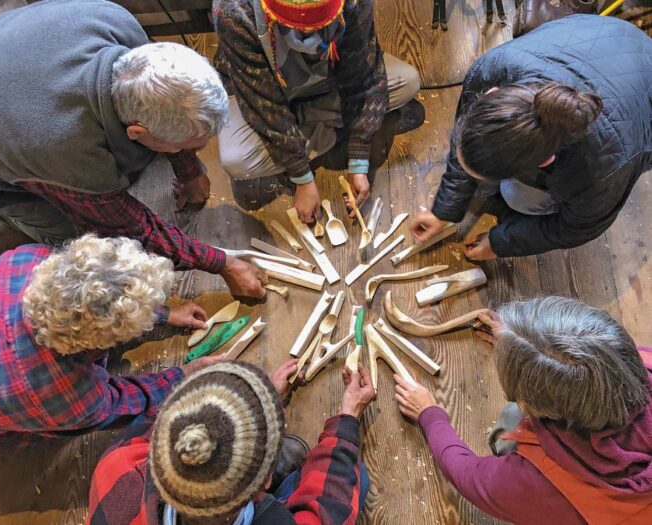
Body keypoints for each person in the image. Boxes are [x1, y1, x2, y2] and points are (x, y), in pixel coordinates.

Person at [0, 0, 266, 298]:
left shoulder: (119, 25)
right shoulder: (69, 155)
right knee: (83, 242)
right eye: (189, 146)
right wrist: (222, 264)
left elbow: (177, 105)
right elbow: (136, 229)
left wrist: (189, 171)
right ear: (137, 132)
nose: (197, 150)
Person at [0, 234, 221, 469]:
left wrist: (164, 313)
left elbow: (103, 287)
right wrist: (181, 377)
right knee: (4, 436)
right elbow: (117, 405)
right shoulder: (56, 394)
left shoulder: (32, 259)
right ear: (97, 340)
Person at [410, 15, 652, 260]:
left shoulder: (600, 171)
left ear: (544, 162)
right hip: (602, 34)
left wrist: (500, 243)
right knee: (490, 185)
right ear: (490, 94)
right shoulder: (491, 71)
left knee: (519, 199)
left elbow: (576, 227)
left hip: (639, 80)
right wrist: (443, 211)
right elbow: (471, 140)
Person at [394, 296, 652, 524]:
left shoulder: (543, 485)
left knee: (509, 422)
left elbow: (468, 476)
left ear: (531, 404)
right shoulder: (630, 360)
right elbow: (574, 357)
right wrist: (519, 342)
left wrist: (430, 415)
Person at [86, 359, 377, 524]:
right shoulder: (273, 521)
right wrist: (347, 417)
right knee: (354, 477)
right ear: (264, 483)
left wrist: (263, 405)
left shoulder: (118, 467)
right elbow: (325, 516)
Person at [213, 0, 423, 223]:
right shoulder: (233, 10)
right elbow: (264, 106)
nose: (311, 35)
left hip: (327, 74)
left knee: (407, 82)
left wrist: (359, 159)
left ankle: (302, 127)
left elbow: (364, 77)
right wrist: (302, 178)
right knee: (236, 160)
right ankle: (320, 126)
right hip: (261, 86)